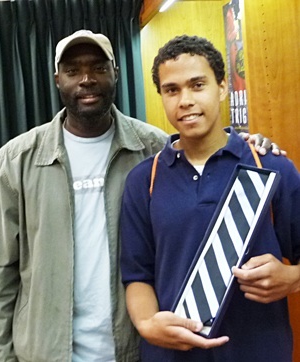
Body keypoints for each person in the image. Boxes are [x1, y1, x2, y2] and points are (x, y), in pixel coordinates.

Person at [0, 29, 283, 362]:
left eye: (99, 68)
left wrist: (250, 144)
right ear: (57, 79)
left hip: (134, 347)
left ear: (115, 74)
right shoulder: (17, 160)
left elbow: (209, 152)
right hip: (44, 350)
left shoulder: (155, 149)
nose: (87, 79)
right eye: (73, 71)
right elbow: (1, 271)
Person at [120, 35, 300, 362]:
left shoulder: (271, 167)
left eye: (197, 85)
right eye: (172, 90)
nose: (185, 100)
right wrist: (147, 325)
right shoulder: (143, 181)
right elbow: (136, 275)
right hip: (170, 355)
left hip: (259, 352)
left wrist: (291, 279)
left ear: (221, 87)